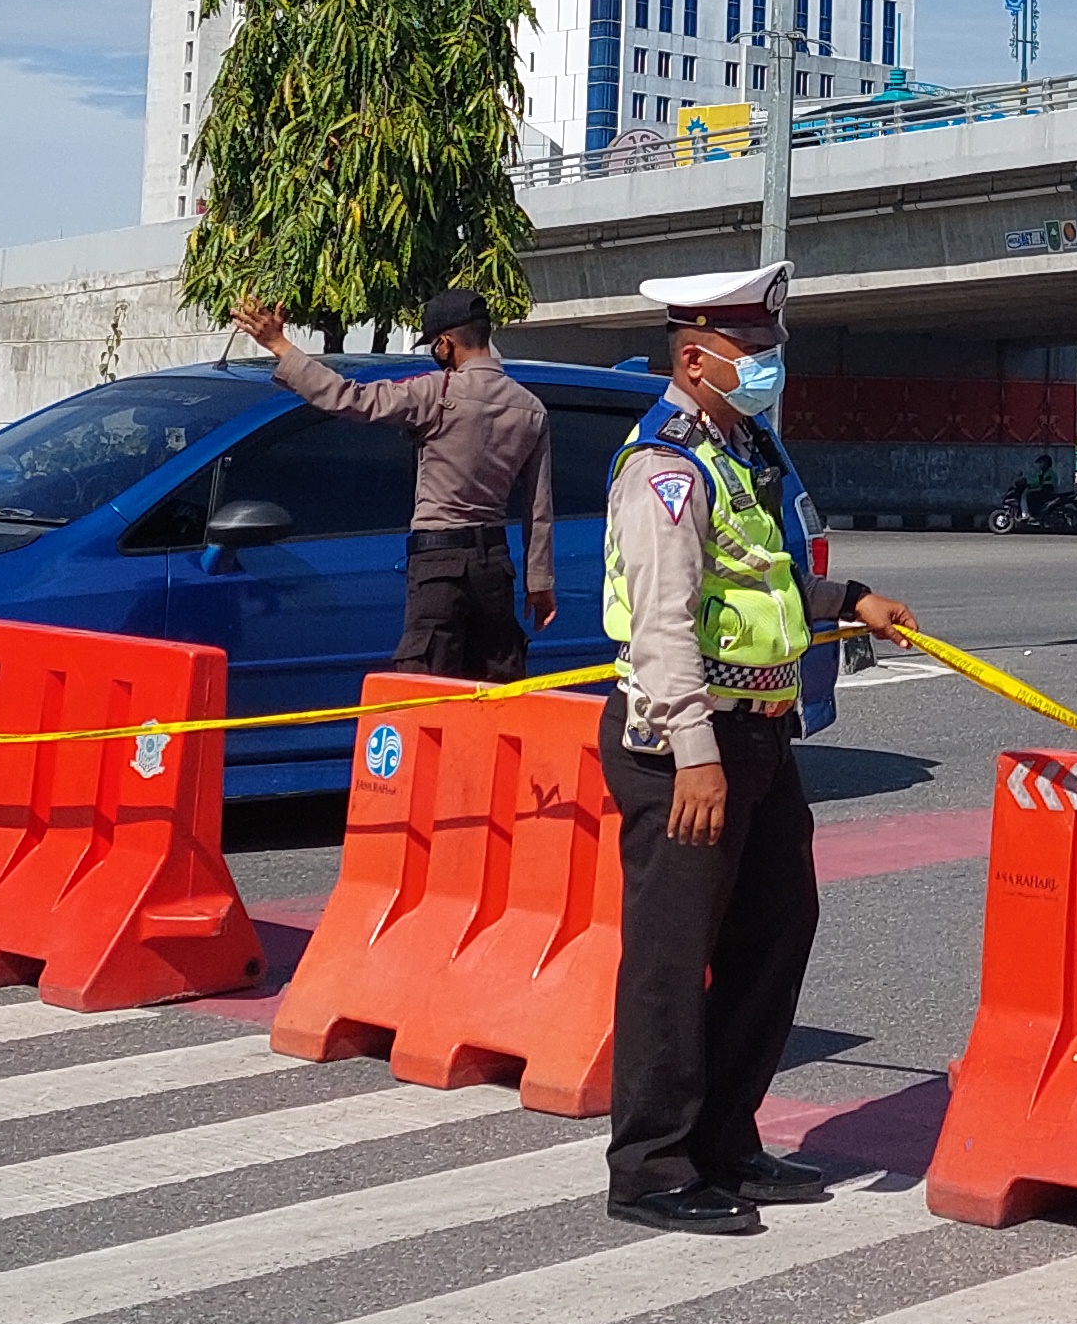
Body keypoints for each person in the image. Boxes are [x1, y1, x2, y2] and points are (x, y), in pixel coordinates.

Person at [598, 257, 919, 1237]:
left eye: (774, 349)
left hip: (760, 735)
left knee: (776, 927)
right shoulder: (666, 467)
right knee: (672, 954)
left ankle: (727, 1140)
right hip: (682, 743)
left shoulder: (741, 452)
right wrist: (692, 753)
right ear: (697, 359)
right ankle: (652, 1165)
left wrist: (848, 600)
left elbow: (758, 577)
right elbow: (658, 625)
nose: (771, 366)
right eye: (755, 351)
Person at [228, 283, 556, 676]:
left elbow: (349, 397)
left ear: (446, 344)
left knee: (423, 684)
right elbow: (539, 507)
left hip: (439, 563)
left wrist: (280, 345)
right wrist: (540, 582)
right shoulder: (531, 409)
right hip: (495, 570)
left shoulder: (436, 392)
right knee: (492, 690)